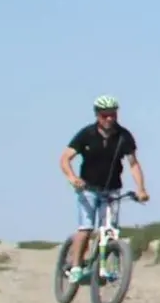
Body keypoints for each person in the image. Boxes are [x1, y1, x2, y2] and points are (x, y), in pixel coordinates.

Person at [58, 94, 148, 282]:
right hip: (88, 189)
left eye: (112, 114)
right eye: (104, 115)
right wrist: (72, 178)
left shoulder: (123, 136)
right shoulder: (87, 134)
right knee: (86, 229)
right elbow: (65, 158)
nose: (109, 119)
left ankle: (108, 268)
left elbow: (133, 164)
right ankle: (76, 266)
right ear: (97, 115)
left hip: (112, 191)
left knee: (110, 230)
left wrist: (141, 189)